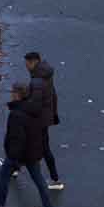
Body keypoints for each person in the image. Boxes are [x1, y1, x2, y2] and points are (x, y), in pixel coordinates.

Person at [0, 84, 57, 207]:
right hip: (33, 152)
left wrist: (13, 158)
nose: (11, 94)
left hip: (18, 154)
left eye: (13, 92)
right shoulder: (35, 110)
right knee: (39, 180)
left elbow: (16, 138)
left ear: (17, 95)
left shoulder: (16, 114)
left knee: (4, 175)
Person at [25, 51, 63, 188]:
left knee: (40, 147)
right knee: (34, 144)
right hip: (44, 118)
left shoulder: (37, 80)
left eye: (27, 63)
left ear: (34, 62)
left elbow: (34, 103)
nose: (26, 67)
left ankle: (55, 179)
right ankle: (55, 179)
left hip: (38, 120)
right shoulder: (46, 75)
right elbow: (53, 95)